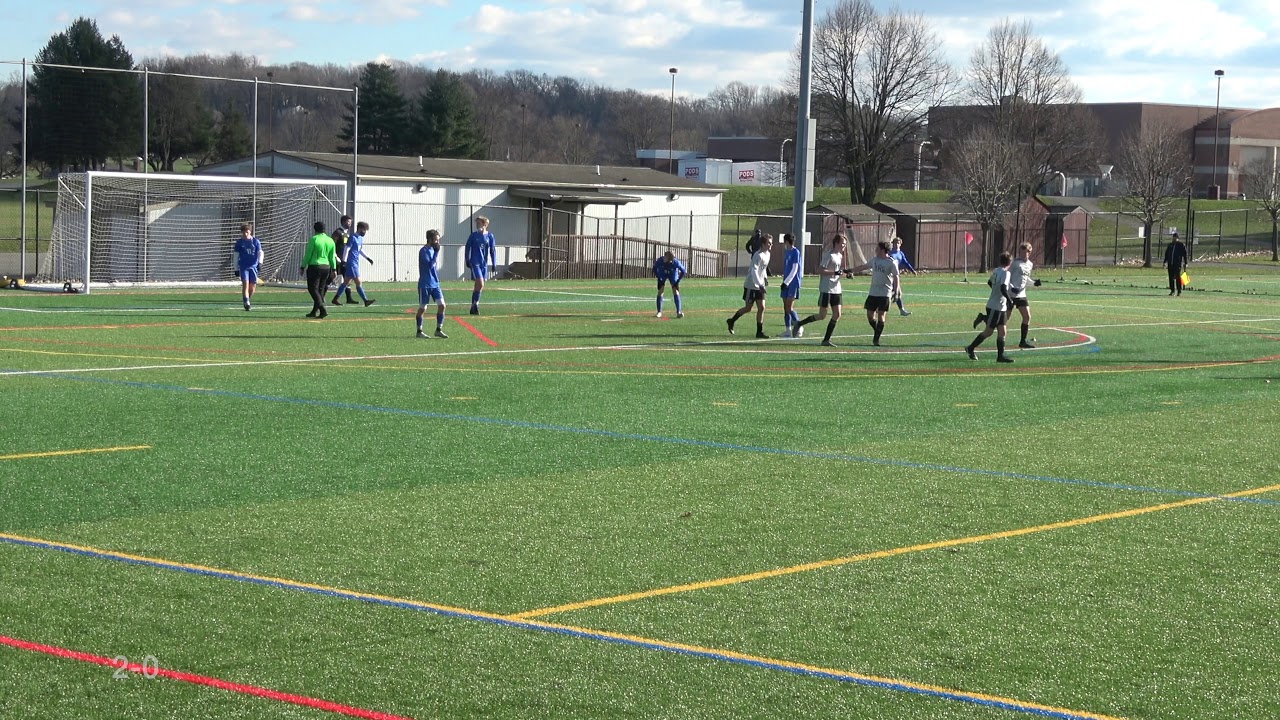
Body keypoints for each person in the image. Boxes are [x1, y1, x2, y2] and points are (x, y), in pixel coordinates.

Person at [792, 234, 849, 346]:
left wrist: (846, 274)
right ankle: (799, 323)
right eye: (842, 243)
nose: (844, 246)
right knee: (822, 315)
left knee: (837, 314)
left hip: (836, 289)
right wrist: (835, 273)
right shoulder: (829, 255)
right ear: (836, 243)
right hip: (826, 288)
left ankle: (826, 340)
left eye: (845, 244)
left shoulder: (840, 256)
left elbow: (838, 272)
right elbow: (819, 270)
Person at [965, 251, 1015, 363]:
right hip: (995, 306)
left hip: (999, 306)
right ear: (1009, 263)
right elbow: (1003, 288)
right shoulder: (1006, 274)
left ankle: (1000, 356)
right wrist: (1009, 300)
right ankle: (970, 348)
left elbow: (989, 282)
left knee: (1002, 331)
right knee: (988, 332)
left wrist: (995, 292)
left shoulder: (997, 270)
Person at [848, 239, 899, 347]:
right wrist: (851, 270)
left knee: (881, 315)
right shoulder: (875, 260)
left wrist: (897, 290)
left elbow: (896, 277)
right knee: (870, 315)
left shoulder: (891, 262)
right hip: (873, 292)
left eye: (877, 248)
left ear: (882, 250)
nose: (875, 250)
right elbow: (864, 266)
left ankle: (876, 339)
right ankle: (878, 331)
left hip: (885, 293)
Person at [727, 232, 772, 339]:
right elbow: (754, 271)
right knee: (748, 308)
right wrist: (760, 285)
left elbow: (763, 269)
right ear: (763, 244)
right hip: (751, 285)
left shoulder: (768, 254)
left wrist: (765, 278)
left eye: (771, 243)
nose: (770, 245)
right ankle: (731, 321)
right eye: (769, 243)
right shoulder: (758, 255)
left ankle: (759, 332)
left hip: (760, 285)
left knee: (762, 307)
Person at [331, 221, 376, 307]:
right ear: (359, 229)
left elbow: (359, 250)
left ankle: (335, 299)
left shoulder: (360, 238)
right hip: (351, 263)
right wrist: (344, 261)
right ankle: (366, 300)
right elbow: (347, 249)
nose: (364, 232)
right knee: (358, 282)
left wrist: (368, 258)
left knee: (346, 282)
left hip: (356, 262)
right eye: (364, 230)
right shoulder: (352, 237)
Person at [416, 229, 449, 339]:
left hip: (435, 283)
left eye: (438, 240)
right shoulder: (423, 251)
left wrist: (435, 252)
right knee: (423, 308)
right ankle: (419, 331)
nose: (437, 242)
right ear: (430, 239)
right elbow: (430, 265)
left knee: (442, 305)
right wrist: (436, 253)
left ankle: (438, 329)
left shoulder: (433, 250)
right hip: (425, 284)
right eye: (436, 240)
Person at [1009, 242, 1042, 348]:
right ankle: (986, 319)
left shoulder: (1030, 264)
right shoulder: (1014, 263)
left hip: (1021, 294)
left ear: (1029, 253)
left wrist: (1034, 283)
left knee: (1027, 316)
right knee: (1004, 319)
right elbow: (1007, 276)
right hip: (1010, 294)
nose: (1023, 255)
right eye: (1021, 252)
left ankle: (1022, 341)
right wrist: (1011, 287)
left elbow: (1025, 278)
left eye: (1025, 253)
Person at [300, 221, 336, 318]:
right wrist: (334, 269)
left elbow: (308, 254)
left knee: (312, 289)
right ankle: (314, 311)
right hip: (326, 267)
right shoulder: (330, 240)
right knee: (320, 290)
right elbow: (332, 257)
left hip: (315, 266)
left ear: (315, 229)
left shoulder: (314, 239)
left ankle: (322, 309)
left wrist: (303, 266)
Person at [465, 215, 497, 314]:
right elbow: (467, 247)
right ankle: (476, 305)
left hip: (484, 264)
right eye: (476, 222)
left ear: (485, 224)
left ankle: (473, 306)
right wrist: (467, 259)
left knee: (479, 286)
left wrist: (494, 263)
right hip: (475, 262)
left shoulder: (490, 236)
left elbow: (492, 250)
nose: (477, 224)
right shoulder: (473, 236)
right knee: (480, 283)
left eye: (479, 222)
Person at [233, 223, 262, 311]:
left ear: (250, 232)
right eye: (243, 232)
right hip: (244, 267)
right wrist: (236, 268)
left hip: (253, 267)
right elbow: (236, 256)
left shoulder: (255, 242)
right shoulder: (239, 243)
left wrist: (260, 263)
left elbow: (260, 252)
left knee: (252, 286)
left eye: (247, 232)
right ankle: (246, 302)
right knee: (245, 284)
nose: (245, 234)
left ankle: (247, 299)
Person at [328, 215, 356, 304]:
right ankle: (321, 297)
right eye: (348, 222)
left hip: (344, 260)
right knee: (330, 278)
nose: (350, 224)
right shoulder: (337, 232)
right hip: (337, 260)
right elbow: (331, 245)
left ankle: (349, 298)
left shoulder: (347, 233)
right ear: (343, 222)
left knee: (347, 278)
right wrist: (335, 256)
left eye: (350, 222)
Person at [652, 250, 688, 318]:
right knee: (660, 290)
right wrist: (658, 277)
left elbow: (683, 271)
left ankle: (678, 312)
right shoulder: (660, 260)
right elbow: (654, 268)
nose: (664, 258)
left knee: (675, 291)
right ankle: (659, 312)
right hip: (662, 273)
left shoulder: (676, 262)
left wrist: (677, 281)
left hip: (673, 274)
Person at [779, 233, 803, 337]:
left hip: (792, 283)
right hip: (786, 282)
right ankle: (788, 330)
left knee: (789, 307)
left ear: (786, 241)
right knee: (785, 307)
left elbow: (795, 269)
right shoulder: (786, 252)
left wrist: (786, 282)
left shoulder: (795, 252)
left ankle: (800, 326)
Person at [887, 236, 917, 316]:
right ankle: (900, 310)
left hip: (896, 276)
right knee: (896, 293)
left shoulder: (900, 254)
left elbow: (905, 262)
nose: (896, 244)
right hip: (889, 276)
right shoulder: (890, 253)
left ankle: (900, 310)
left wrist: (912, 270)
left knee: (896, 293)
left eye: (898, 243)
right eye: (895, 243)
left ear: (900, 244)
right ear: (892, 244)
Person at [1162, 232, 1188, 296]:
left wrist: (1185, 262)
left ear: (1177, 238)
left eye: (1175, 237)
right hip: (1170, 264)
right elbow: (1167, 254)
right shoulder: (1170, 245)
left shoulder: (1181, 245)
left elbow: (1184, 254)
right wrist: (1165, 262)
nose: (1174, 239)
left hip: (1177, 264)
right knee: (1171, 278)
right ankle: (1172, 290)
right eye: (1173, 237)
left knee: (1177, 277)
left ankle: (1179, 290)